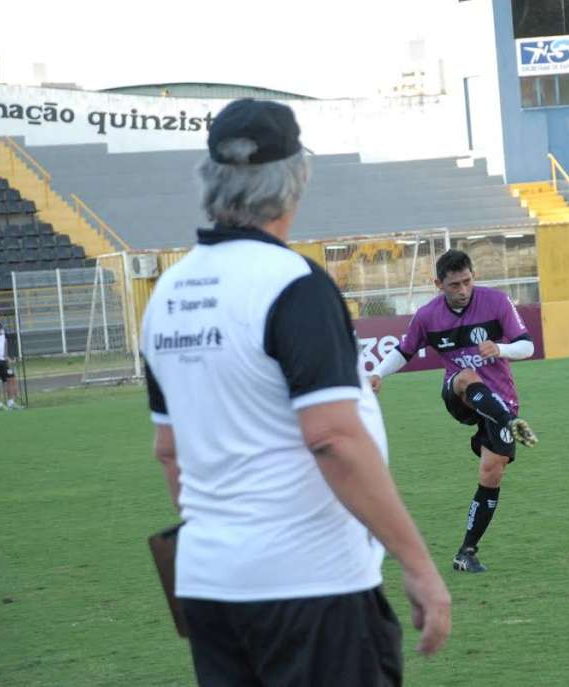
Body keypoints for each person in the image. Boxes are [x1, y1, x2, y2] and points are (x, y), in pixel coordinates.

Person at [140, 99, 450, 686]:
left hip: (209, 586)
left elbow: (169, 451)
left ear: (209, 180)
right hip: (312, 587)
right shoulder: (293, 284)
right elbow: (333, 437)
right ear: (297, 179)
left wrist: (229, 546)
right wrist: (418, 564)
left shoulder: (167, 294)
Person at [370, 249, 538, 574]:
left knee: (492, 472)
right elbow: (404, 350)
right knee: (466, 376)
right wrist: (378, 373)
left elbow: (527, 345)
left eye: (467, 282)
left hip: (500, 398)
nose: (463, 290)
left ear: (474, 277)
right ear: (438, 284)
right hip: (459, 394)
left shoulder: (496, 302)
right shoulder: (427, 316)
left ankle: (467, 552)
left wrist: (500, 348)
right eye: (454, 285)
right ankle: (509, 422)